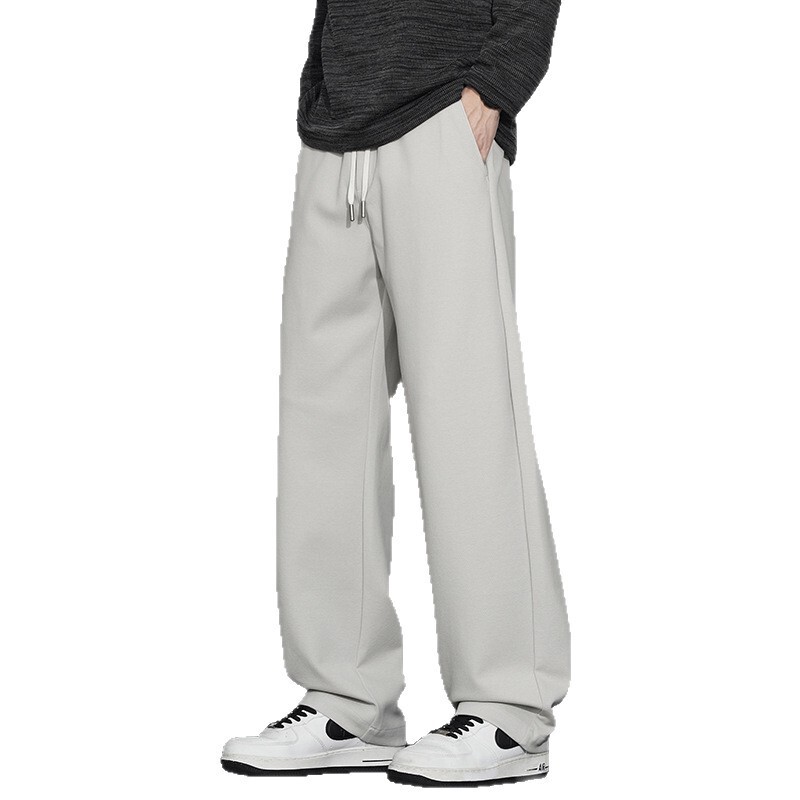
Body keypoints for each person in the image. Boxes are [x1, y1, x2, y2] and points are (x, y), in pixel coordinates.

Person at [221, 0, 569, 787]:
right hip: (337, 129)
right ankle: (349, 701)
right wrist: (320, 86)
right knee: (323, 424)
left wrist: (495, 88)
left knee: (468, 415)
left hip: (444, 111)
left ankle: (510, 708)